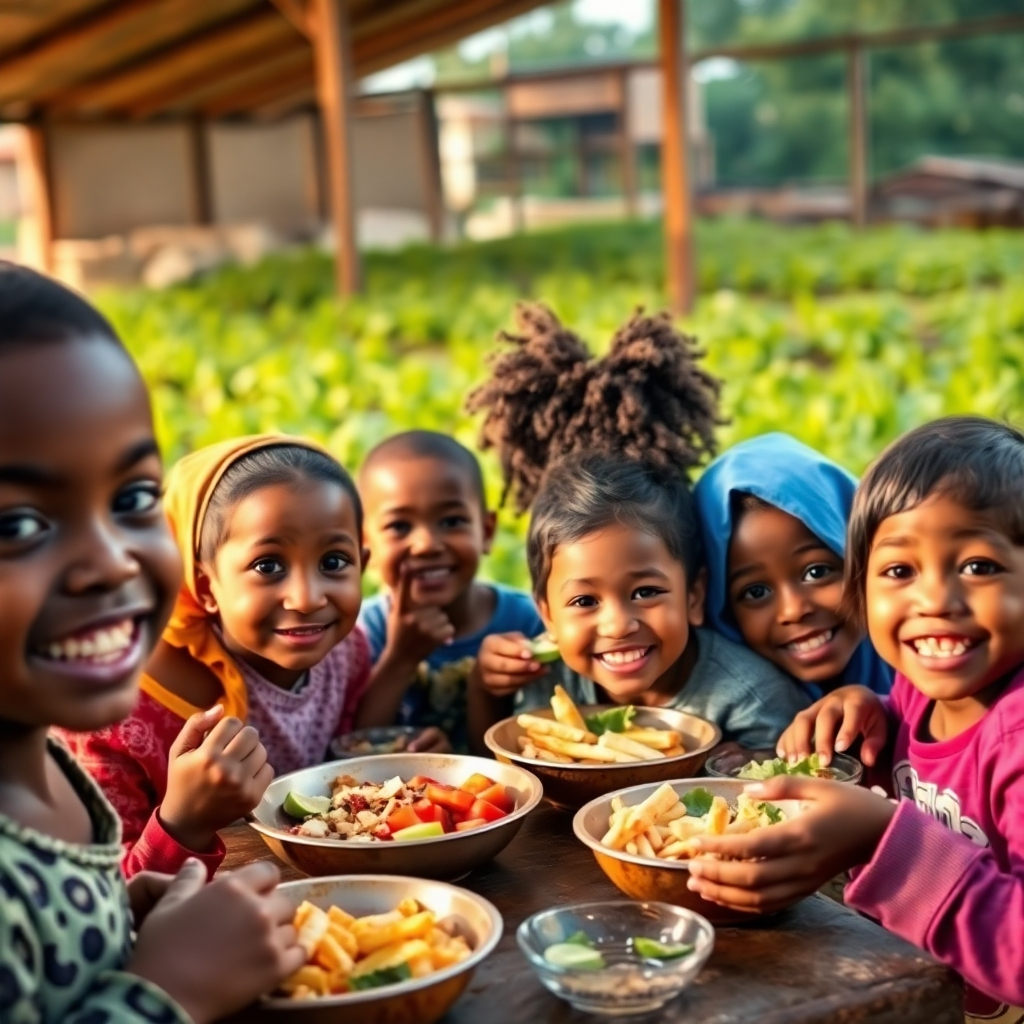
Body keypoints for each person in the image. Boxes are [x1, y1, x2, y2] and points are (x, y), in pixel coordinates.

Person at [0, 262, 304, 1024]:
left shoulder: (55, 769)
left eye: (132, 498)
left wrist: (124, 921)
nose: (111, 559)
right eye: (16, 525)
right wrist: (166, 993)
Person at [685, 417, 1024, 1022]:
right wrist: (877, 711)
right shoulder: (918, 692)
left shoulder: (1016, 736)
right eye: (900, 571)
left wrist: (883, 839)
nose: (934, 600)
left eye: (977, 566)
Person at [466, 304, 810, 752]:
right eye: (584, 600)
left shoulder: (750, 698)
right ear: (547, 615)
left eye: (646, 592)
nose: (617, 624)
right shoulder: (549, 683)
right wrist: (484, 685)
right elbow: (499, 762)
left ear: (694, 595)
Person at [60, 435, 372, 877]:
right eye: (269, 565)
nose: (306, 598)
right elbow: (93, 898)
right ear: (205, 586)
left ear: (364, 562)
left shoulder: (347, 654)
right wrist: (184, 822)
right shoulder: (116, 715)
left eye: (334, 562)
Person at [358, 430, 542, 752]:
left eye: (452, 521)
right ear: (365, 544)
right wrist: (399, 658)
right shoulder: (360, 633)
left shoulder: (528, 624)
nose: (427, 544)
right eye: (400, 526)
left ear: (485, 532)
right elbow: (349, 745)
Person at [694, 432, 892, 697]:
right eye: (755, 592)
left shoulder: (930, 665)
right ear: (721, 613)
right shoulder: (720, 721)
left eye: (816, 572)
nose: (793, 610)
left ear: (864, 556)